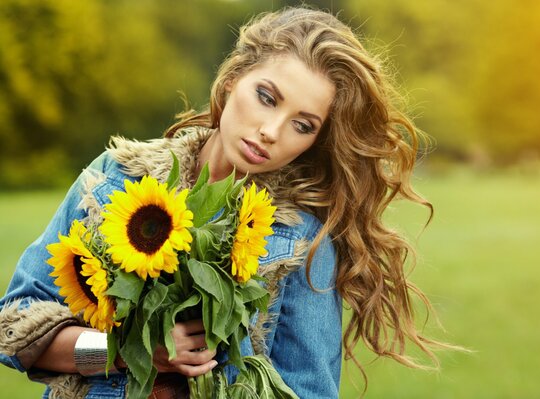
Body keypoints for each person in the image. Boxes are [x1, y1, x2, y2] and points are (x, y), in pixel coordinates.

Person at [0, 6, 447, 399]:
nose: (272, 130)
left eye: (303, 125)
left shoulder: (301, 245)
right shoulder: (113, 179)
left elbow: (308, 391)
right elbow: (15, 330)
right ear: (233, 79)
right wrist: (129, 353)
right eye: (267, 97)